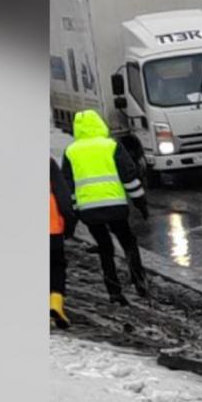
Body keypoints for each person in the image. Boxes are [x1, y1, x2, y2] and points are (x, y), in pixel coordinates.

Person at [62, 109, 149, 305]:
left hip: (89, 211)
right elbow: (129, 177)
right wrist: (140, 203)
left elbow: (69, 187)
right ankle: (138, 280)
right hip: (115, 206)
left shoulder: (71, 152)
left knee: (105, 247)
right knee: (128, 241)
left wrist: (74, 214)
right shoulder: (112, 146)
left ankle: (113, 290)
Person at [50, 157, 77, 329]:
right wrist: (69, 224)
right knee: (56, 266)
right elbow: (64, 199)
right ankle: (55, 304)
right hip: (51, 227)